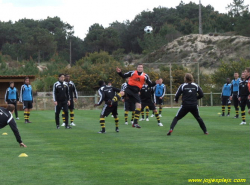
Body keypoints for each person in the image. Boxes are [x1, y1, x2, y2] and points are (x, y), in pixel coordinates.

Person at [109, 64, 156, 128]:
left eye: (141, 67)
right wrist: (119, 72)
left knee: (139, 106)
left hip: (136, 92)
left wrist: (156, 82)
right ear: (137, 68)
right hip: (129, 88)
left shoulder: (145, 76)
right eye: (139, 67)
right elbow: (123, 76)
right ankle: (111, 101)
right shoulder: (132, 72)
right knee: (122, 92)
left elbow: (150, 84)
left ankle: (135, 123)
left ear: (142, 68)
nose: (140, 68)